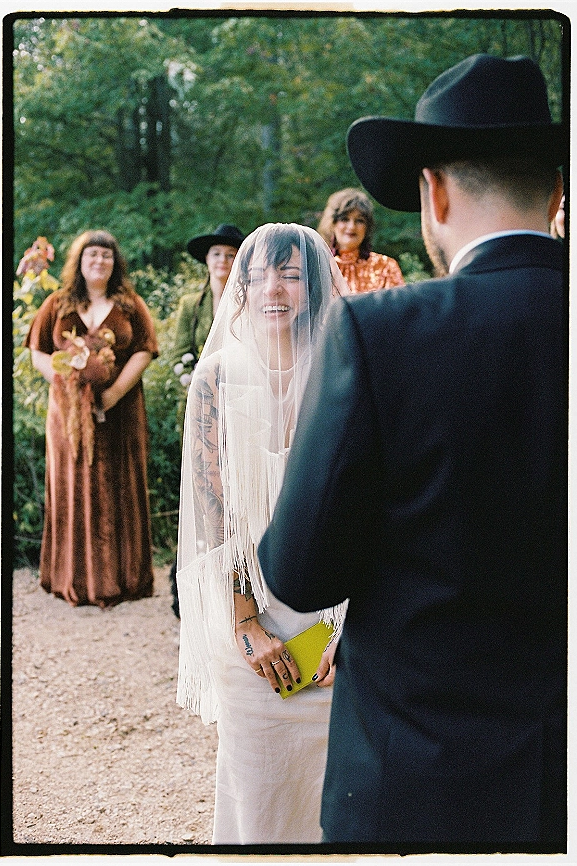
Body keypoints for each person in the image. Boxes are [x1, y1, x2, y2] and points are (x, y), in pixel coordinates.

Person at [258, 54, 567, 850]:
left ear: (432, 193)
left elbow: (299, 571)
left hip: (420, 785)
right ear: (557, 192)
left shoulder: (381, 333)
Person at [175, 223, 349, 844]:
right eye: (260, 274)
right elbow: (211, 508)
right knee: (257, 789)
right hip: (246, 607)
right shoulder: (218, 378)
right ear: (240, 287)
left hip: (333, 620)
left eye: (293, 274)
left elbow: (368, 506)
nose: (275, 288)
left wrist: (344, 627)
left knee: (334, 801)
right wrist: (247, 625)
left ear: (316, 285)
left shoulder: (343, 372)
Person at [25, 229, 159, 608]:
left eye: (106, 255)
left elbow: (145, 350)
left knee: (120, 485)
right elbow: (38, 351)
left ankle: (125, 579)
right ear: (79, 262)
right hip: (68, 417)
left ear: (115, 264)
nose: (99, 261)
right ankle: (71, 579)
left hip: (121, 415)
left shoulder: (131, 305)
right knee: (72, 486)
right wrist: (66, 382)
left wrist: (113, 395)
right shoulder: (58, 304)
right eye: (91, 255)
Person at [169, 223, 246, 617]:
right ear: (208, 261)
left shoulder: (248, 299)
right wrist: (198, 382)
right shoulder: (190, 304)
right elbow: (180, 350)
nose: (223, 261)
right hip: (204, 404)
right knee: (202, 486)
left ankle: (238, 582)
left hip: (244, 400)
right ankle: (187, 588)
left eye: (231, 255)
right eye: (217, 254)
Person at [317, 187, 404, 293]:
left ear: (367, 227)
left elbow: (399, 308)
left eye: (359, 220)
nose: (351, 227)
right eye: (344, 219)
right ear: (332, 223)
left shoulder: (385, 266)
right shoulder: (319, 267)